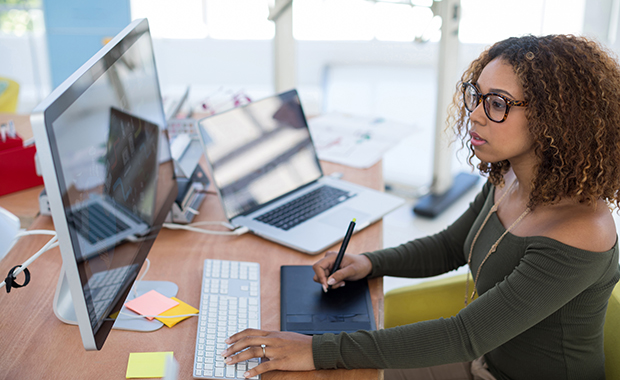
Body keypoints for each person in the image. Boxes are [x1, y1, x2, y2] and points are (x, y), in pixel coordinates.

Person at [222, 34, 620, 380]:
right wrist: (369, 263)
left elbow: (463, 336)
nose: (475, 116)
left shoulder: (582, 231)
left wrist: (313, 350)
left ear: (556, 118)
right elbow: (452, 244)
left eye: (497, 104)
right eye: (476, 96)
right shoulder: (510, 175)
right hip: (483, 362)